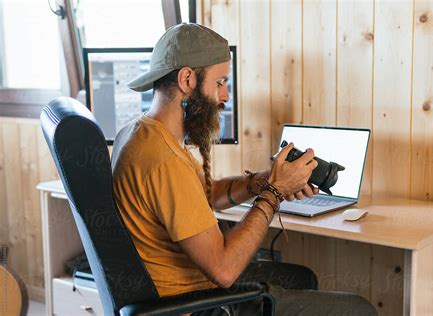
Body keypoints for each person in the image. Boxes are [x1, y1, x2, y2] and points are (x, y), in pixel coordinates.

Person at [111, 23, 377, 315]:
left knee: (302, 277)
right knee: (359, 309)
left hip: (184, 290)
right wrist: (274, 193)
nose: (225, 96)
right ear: (187, 78)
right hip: (194, 305)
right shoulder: (164, 160)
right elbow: (224, 270)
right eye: (219, 82)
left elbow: (206, 196)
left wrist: (262, 182)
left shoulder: (141, 133)